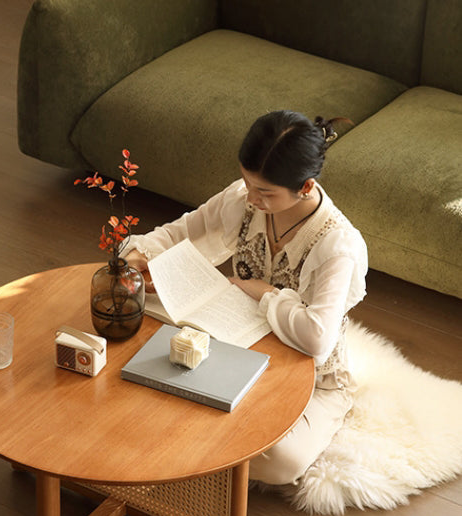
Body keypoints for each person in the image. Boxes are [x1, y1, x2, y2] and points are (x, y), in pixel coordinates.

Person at [122, 110, 368, 485]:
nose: (251, 198)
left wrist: (267, 294)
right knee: (137, 353)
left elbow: (317, 339)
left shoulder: (337, 245)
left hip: (311, 379)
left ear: (305, 187)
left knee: (281, 460)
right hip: (238, 350)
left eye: (265, 192)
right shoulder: (244, 199)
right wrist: (142, 255)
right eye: (246, 182)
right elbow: (178, 233)